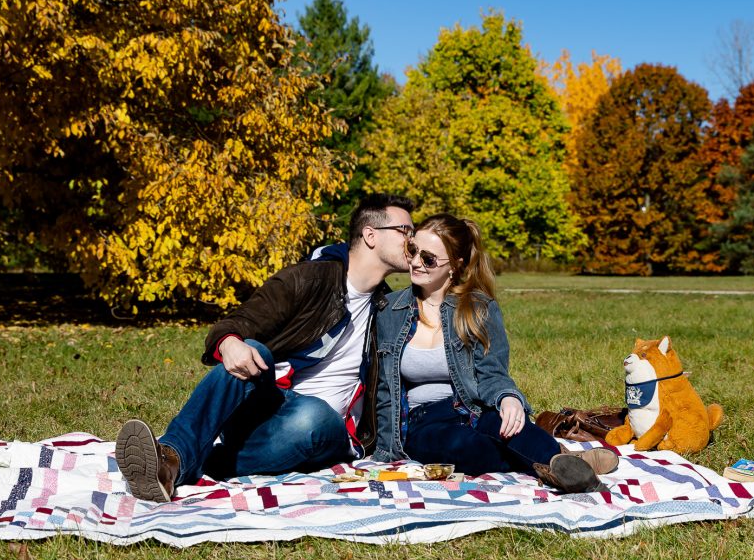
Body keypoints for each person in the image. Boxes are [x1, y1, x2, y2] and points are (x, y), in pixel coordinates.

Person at [116, 194, 416, 501]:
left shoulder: (388, 308)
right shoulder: (307, 280)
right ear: (370, 235)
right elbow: (235, 324)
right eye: (405, 231)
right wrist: (231, 343)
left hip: (322, 429)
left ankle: (189, 463)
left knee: (313, 416)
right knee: (253, 348)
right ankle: (172, 457)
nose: (412, 241)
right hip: (264, 409)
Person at [372, 214, 617, 493]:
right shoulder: (388, 310)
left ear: (455, 265)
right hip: (423, 420)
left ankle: (559, 465)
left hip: (473, 407)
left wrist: (508, 398)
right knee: (467, 449)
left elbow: (492, 373)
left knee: (512, 426)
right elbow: (381, 388)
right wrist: (384, 446)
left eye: (428, 258)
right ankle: (557, 459)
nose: (415, 262)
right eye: (413, 250)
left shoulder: (478, 308)